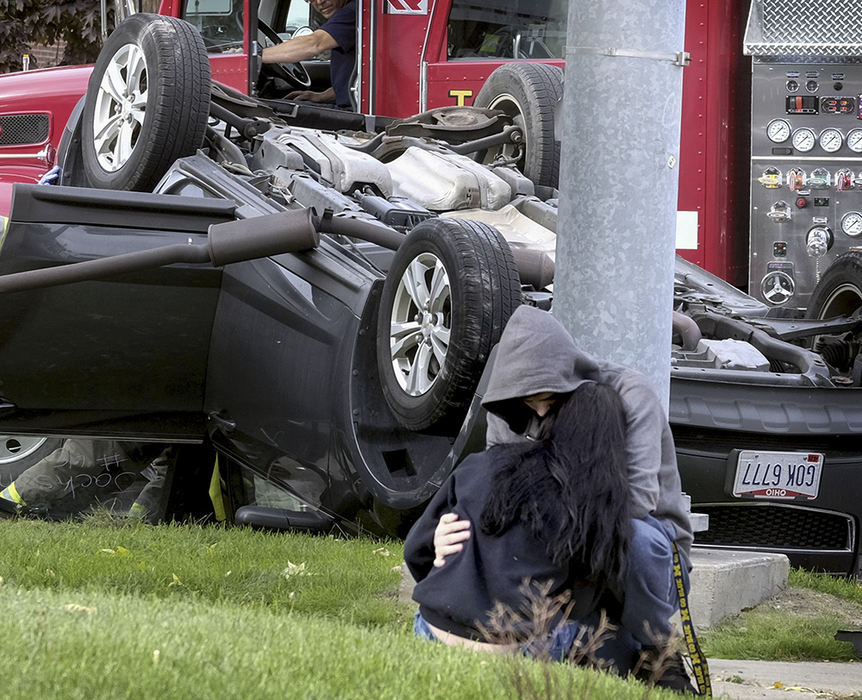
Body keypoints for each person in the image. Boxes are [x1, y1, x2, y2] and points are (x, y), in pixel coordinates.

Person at [429, 304, 698, 694]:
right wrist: (449, 535)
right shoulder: (508, 410)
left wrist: (553, 515)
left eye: (548, 400)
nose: (538, 411)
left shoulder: (631, 395)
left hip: (638, 555)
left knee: (638, 538)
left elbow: (637, 502)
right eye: (528, 401)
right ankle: (577, 635)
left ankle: (657, 647)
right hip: (560, 555)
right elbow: (494, 502)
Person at [404, 381, 640, 670]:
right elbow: (582, 602)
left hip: (433, 631)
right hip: (515, 650)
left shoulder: (479, 465)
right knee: (604, 625)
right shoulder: (591, 504)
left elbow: (415, 552)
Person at [261, 0, 356, 109]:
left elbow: (314, 43)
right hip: (354, 107)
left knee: (264, 111)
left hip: (357, 114)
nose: (320, 2)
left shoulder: (354, 12)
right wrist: (320, 97)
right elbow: (355, 83)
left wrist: (256, 54)